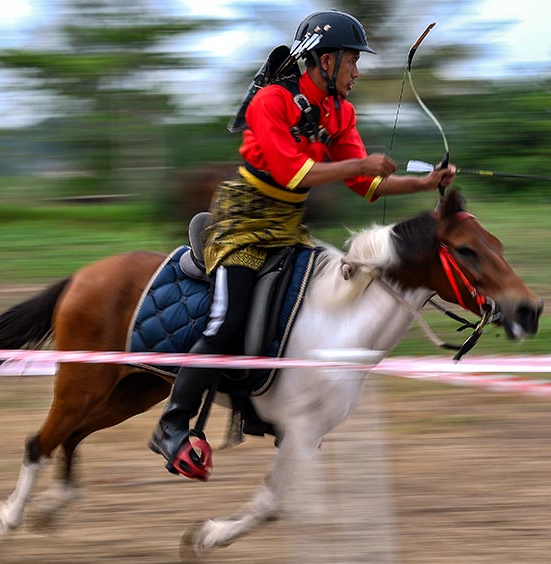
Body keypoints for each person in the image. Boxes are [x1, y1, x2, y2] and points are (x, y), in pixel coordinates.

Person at [149, 9, 457, 480]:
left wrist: (424, 184)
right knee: (228, 320)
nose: (357, 72)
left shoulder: (340, 112)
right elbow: (297, 172)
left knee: (310, 310)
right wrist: (360, 167)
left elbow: (366, 186)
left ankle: (262, 405)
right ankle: (172, 426)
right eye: (352, 61)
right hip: (242, 223)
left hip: (290, 226)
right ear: (323, 60)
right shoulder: (271, 101)